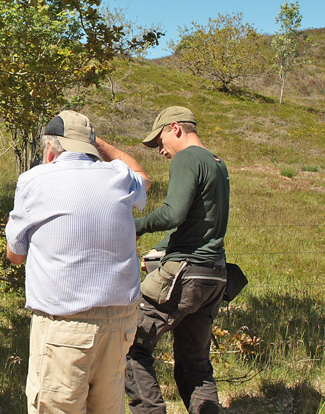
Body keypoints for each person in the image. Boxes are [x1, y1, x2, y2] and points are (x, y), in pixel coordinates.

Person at [5, 110, 152, 414]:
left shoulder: (34, 180)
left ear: (50, 148)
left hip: (66, 324)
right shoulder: (119, 176)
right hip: (121, 321)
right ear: (91, 146)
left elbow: (15, 255)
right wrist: (101, 145)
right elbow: (145, 179)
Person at [125, 106, 230, 414]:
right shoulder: (216, 162)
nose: (160, 150)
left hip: (184, 273)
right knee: (195, 363)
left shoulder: (187, 158)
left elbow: (173, 214)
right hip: (214, 275)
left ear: (175, 128)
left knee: (129, 343)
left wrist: (135, 226)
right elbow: (200, 224)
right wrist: (161, 248)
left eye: (160, 141)